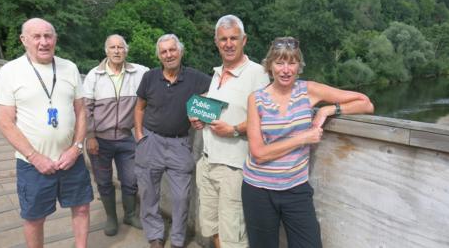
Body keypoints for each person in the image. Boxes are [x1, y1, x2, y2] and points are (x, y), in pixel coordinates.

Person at [242, 37, 374, 248]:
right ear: (270, 66)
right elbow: (258, 152)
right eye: (279, 62)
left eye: (292, 62)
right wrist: (303, 138)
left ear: (299, 66)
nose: (286, 69)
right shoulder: (256, 99)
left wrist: (327, 110)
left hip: (296, 188)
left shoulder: (308, 90)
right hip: (258, 190)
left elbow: (365, 103)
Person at [0, 18, 93, 248]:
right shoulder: (11, 71)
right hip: (32, 163)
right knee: (34, 218)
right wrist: (35, 157)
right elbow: (5, 122)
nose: (43, 42)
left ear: (55, 39)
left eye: (48, 36)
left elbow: (81, 112)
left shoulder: (69, 67)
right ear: (23, 40)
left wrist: (76, 148)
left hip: (72, 159)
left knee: (81, 207)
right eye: (36, 36)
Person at [190, 14, 270, 248]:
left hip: (234, 169)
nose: (228, 43)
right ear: (216, 42)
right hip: (207, 163)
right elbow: (221, 106)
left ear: (244, 40)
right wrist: (199, 118)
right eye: (223, 39)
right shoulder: (217, 74)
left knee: (233, 237)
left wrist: (234, 129)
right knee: (213, 228)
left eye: (234, 38)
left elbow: (267, 118)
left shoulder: (258, 74)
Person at [134, 34, 211, 248]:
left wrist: (200, 112)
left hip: (180, 144)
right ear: (159, 56)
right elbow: (139, 107)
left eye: (172, 50)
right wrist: (140, 135)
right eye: (164, 51)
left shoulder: (196, 78)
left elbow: (217, 92)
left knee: (181, 198)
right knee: (149, 193)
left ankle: (177, 240)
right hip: (151, 142)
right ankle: (155, 236)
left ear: (180, 51)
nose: (169, 55)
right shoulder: (149, 77)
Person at [83, 34, 148, 236]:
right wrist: (90, 136)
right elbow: (86, 109)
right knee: (103, 181)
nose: (117, 51)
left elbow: (157, 86)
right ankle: (111, 218)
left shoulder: (140, 72)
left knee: (130, 179)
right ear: (106, 51)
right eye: (113, 47)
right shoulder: (94, 76)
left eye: (121, 47)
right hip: (100, 140)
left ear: (126, 50)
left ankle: (129, 214)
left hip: (127, 138)